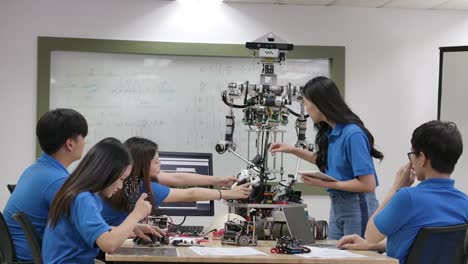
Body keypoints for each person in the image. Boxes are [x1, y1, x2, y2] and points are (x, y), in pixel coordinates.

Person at [337, 120, 468, 263]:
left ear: (422, 158)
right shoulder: (464, 202)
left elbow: (370, 234)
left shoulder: (407, 198)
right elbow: (424, 246)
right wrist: (371, 246)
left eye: (413, 154)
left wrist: (396, 187)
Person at [270, 76, 383, 239]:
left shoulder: (353, 134)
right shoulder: (331, 132)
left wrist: (325, 183)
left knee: (356, 258)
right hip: (338, 205)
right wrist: (291, 150)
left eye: (306, 102)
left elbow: (368, 184)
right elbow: (324, 161)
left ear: (319, 104)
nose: (305, 108)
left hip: (357, 206)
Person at [42, 137, 159, 263]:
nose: (120, 187)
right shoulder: (83, 199)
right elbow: (108, 243)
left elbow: (98, 233)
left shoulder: (80, 193)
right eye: (121, 179)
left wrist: (132, 227)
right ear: (107, 172)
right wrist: (136, 215)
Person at [101, 137, 251, 226]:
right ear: (144, 166)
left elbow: (178, 178)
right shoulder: (143, 188)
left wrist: (219, 180)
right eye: (156, 162)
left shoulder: (131, 178)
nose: (160, 165)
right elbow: (190, 194)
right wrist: (227, 194)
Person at [3, 108, 88, 261]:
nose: (85, 142)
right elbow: (85, 227)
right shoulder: (57, 181)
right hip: (32, 258)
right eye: (83, 137)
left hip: (18, 255)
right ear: (70, 143)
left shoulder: (35, 170)